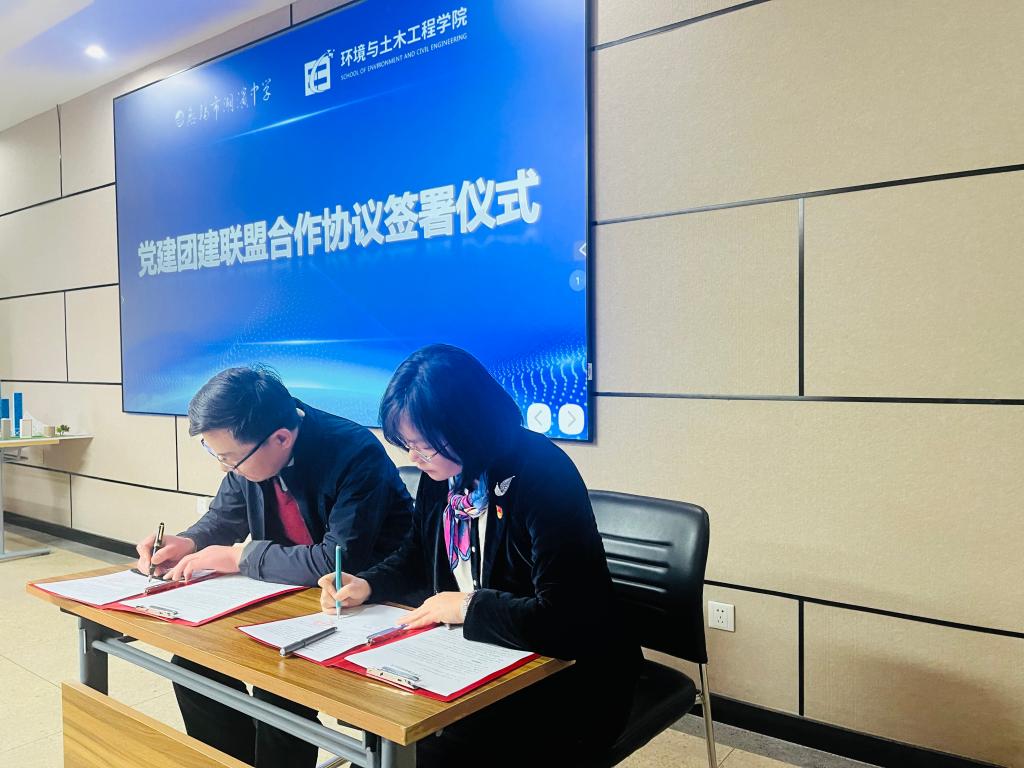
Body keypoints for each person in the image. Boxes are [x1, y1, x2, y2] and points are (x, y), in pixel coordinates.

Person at [318, 344, 640, 766]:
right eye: (407, 445)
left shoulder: (542, 474)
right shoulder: (444, 474)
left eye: (423, 446)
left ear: (468, 428)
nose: (414, 458)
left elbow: (565, 620)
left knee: (429, 752)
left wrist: (468, 607)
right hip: (480, 658)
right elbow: (417, 554)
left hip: (570, 677)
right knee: (391, 724)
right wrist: (367, 583)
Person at [135, 365, 413, 768]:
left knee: (277, 689)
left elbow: (335, 562)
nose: (224, 468)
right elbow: (225, 515)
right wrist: (189, 541)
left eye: (229, 458)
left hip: (363, 600)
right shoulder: (255, 447)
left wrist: (240, 557)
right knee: (194, 666)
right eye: (216, 455)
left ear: (281, 439)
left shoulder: (354, 452)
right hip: (286, 594)